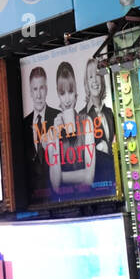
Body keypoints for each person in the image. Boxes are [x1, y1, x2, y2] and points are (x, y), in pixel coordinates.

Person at [46, 61, 95, 198]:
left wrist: (62, 176)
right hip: (63, 205)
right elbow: (55, 185)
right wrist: (56, 136)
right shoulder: (52, 132)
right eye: (62, 93)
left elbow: (89, 178)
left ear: (76, 93)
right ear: (58, 94)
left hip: (91, 199)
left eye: (70, 92)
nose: (67, 99)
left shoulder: (87, 122)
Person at [23, 65, 60, 201]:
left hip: (58, 194)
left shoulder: (58, 117)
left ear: (47, 89)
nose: (38, 95)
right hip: (32, 198)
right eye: (35, 89)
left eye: (41, 88)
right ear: (30, 92)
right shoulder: (23, 124)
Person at [82, 58, 116, 189]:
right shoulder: (82, 116)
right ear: (86, 83)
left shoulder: (109, 112)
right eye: (90, 77)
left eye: (97, 75)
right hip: (96, 182)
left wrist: (106, 146)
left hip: (114, 177)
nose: (95, 81)